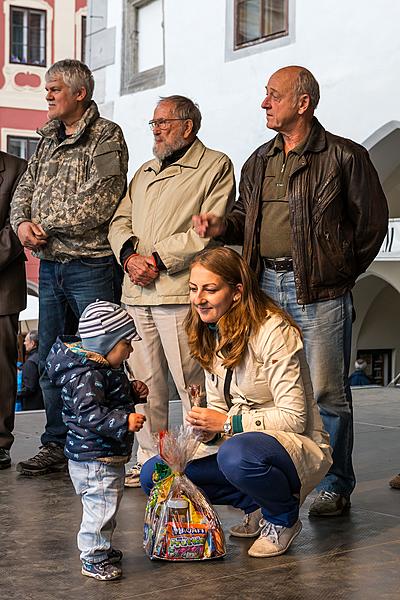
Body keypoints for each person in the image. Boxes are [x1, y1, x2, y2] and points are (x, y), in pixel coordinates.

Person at [192, 66, 388, 517]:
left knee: (326, 392)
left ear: (303, 103)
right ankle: (275, 480)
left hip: (320, 291)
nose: (265, 103)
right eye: (266, 95)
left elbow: (371, 224)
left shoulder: (345, 156)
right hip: (264, 287)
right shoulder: (258, 160)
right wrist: (223, 226)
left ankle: (335, 483)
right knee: (261, 390)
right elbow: (245, 216)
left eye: (274, 96)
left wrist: (338, 272)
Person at [141, 247, 332, 558]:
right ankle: (256, 503)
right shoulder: (211, 331)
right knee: (156, 474)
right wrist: (208, 430)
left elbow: (294, 417)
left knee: (236, 454)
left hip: (293, 445)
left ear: (237, 292)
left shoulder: (274, 330)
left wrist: (227, 424)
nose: (198, 298)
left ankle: (282, 519)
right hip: (239, 445)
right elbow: (219, 408)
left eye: (210, 289)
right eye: (193, 289)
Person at [108, 95, 235, 486]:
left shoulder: (215, 165)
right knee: (146, 386)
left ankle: (196, 458)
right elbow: (120, 219)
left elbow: (206, 228)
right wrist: (130, 256)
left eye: (164, 122)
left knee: (191, 381)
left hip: (180, 292)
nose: (157, 129)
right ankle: (151, 459)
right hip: (136, 292)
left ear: (188, 127)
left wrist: (158, 261)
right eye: (154, 123)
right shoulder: (144, 171)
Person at [10, 59, 129, 476]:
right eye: (47, 88)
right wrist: (22, 223)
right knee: (49, 359)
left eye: (55, 88)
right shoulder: (46, 139)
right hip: (51, 266)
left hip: (91, 265)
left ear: (80, 93)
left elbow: (104, 199)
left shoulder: (107, 135)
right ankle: (57, 444)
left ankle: (109, 439)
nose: (47, 95)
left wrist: (47, 226)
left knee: (105, 356)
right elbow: (24, 189)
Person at [46, 300, 148, 581]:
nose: (130, 349)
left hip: (99, 454)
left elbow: (109, 395)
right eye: (126, 343)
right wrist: (123, 421)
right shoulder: (86, 375)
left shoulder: (101, 367)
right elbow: (90, 413)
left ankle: (101, 548)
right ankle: (93, 556)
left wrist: (131, 391)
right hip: (94, 457)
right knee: (100, 508)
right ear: (107, 343)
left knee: (105, 506)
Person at [0, 150, 27, 469]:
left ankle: (0, 441)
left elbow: (18, 226)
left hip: (2, 285)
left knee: (1, 369)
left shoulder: (16, 168)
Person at [17, 330, 44, 410]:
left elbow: (29, 388)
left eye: (25, 341)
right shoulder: (41, 357)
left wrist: (13, 395)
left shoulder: (31, 362)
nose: (24, 343)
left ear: (32, 343)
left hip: (33, 407)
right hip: (42, 404)